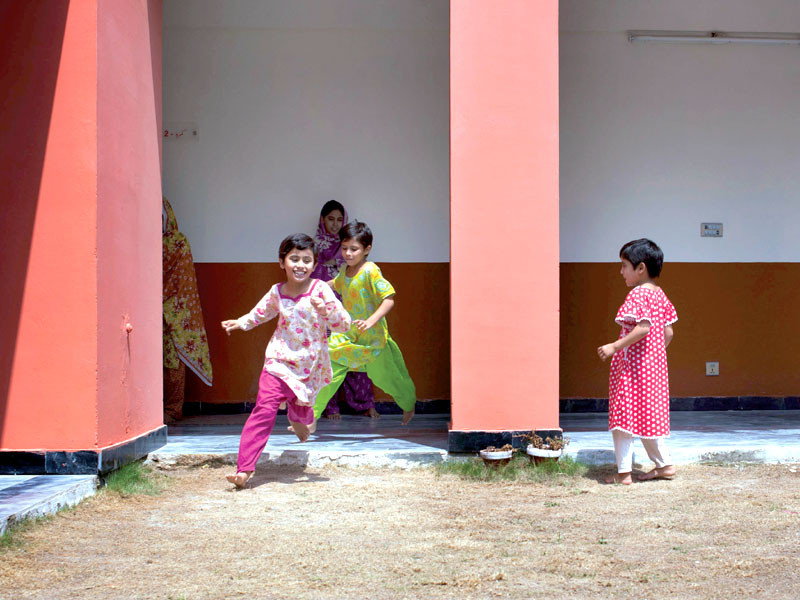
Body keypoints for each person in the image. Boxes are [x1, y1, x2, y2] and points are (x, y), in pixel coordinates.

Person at [221, 233, 351, 488]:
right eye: (294, 259)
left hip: (308, 367)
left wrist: (327, 310)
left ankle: (298, 417)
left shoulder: (321, 289)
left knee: (302, 415)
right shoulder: (277, 292)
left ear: (314, 265)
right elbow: (260, 313)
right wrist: (241, 322)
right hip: (278, 362)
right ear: (282, 262)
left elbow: (344, 324)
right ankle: (244, 470)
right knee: (263, 410)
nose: (300, 265)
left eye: (306, 260)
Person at [312, 220, 416, 426]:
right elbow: (334, 284)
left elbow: (389, 298)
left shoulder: (371, 271)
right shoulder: (344, 272)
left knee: (388, 378)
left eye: (354, 249)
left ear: (367, 249)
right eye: (344, 248)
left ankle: (408, 404)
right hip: (347, 336)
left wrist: (370, 322)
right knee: (329, 372)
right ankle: (310, 418)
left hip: (373, 339)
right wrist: (316, 287)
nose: (348, 253)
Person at [597, 239, 678, 485]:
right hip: (653, 372)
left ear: (640, 268)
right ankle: (664, 466)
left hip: (632, 370)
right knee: (647, 416)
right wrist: (653, 356)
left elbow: (643, 328)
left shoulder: (637, 294)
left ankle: (623, 473)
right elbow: (669, 333)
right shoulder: (659, 294)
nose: (621, 272)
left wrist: (615, 346)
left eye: (624, 266)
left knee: (624, 417)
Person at [311, 200, 379, 420]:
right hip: (324, 313)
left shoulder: (350, 248)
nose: (335, 224)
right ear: (322, 220)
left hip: (351, 311)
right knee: (327, 357)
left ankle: (364, 404)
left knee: (356, 355)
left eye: (339, 219)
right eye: (330, 219)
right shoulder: (312, 247)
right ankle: (329, 407)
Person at [162, 197, 213, 423]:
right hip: (144, 308)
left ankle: (173, 409)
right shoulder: (141, 241)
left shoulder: (179, 243)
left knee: (173, 359)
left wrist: (164, 300)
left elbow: (183, 280)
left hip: (174, 308)